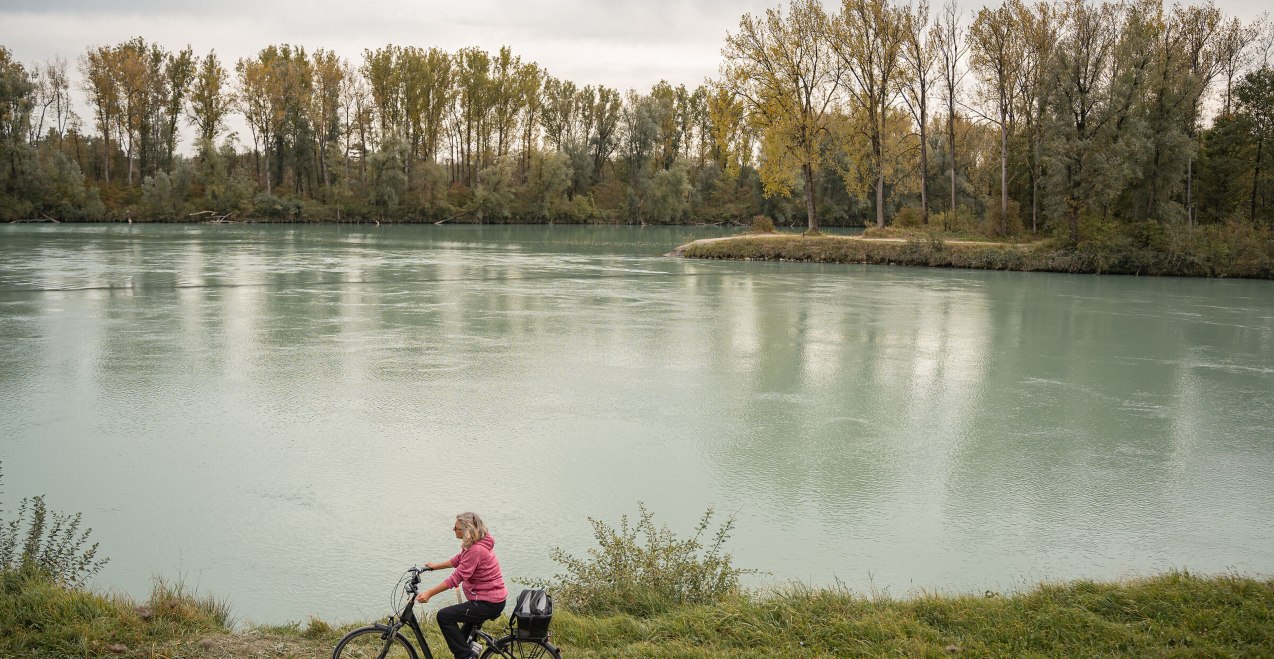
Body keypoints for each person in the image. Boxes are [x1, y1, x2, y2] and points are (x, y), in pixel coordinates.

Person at [416, 512, 508, 659]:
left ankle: (468, 657)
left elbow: (456, 578)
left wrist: (429, 593)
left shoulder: (476, 550)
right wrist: (434, 567)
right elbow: (458, 560)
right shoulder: (476, 544)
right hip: (489, 600)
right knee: (463, 640)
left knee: (444, 616)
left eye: (456, 528)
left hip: (487, 603)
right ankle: (469, 653)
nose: (453, 530)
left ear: (467, 530)